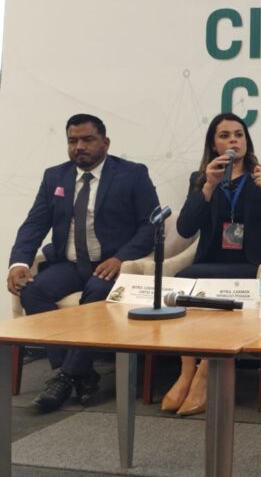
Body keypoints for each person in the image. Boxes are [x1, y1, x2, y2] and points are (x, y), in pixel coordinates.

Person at [7, 113, 159, 413]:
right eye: (72, 141)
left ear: (105, 142)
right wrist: (18, 262)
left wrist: (121, 258)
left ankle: (64, 377)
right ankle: (80, 373)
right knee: (33, 291)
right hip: (69, 263)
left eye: (87, 139)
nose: (79, 147)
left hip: (110, 264)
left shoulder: (132, 174)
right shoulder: (55, 177)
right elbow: (35, 224)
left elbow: (151, 224)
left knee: (96, 294)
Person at [160, 113, 261, 416]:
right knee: (182, 281)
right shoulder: (201, 178)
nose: (233, 140)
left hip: (252, 267)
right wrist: (208, 187)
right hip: (210, 262)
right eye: (224, 135)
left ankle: (205, 375)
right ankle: (186, 371)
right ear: (213, 144)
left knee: (223, 296)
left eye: (239, 134)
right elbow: (185, 228)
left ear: (246, 141)